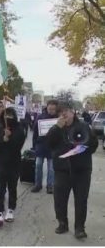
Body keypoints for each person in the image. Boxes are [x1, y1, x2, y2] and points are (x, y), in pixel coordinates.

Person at [47, 102, 98, 239]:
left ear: (73, 112)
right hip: (62, 170)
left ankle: (79, 228)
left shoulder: (83, 126)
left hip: (81, 170)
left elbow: (93, 145)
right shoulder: (56, 128)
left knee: (81, 200)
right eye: (61, 112)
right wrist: (57, 128)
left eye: (67, 111)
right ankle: (62, 223)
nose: (64, 114)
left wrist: (87, 143)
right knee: (60, 199)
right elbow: (49, 143)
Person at [0, 107, 26, 226]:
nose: (8, 118)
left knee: (12, 188)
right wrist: (3, 139)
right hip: (0, 164)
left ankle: (11, 209)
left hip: (14, 164)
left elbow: (18, 146)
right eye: (6, 116)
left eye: (11, 116)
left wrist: (10, 139)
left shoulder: (20, 130)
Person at [32, 100, 59, 194]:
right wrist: (34, 145)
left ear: (56, 109)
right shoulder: (40, 117)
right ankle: (37, 184)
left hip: (53, 147)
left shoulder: (58, 119)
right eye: (49, 108)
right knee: (38, 165)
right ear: (46, 107)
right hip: (41, 145)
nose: (51, 110)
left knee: (51, 168)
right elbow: (35, 131)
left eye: (53, 109)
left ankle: (50, 186)